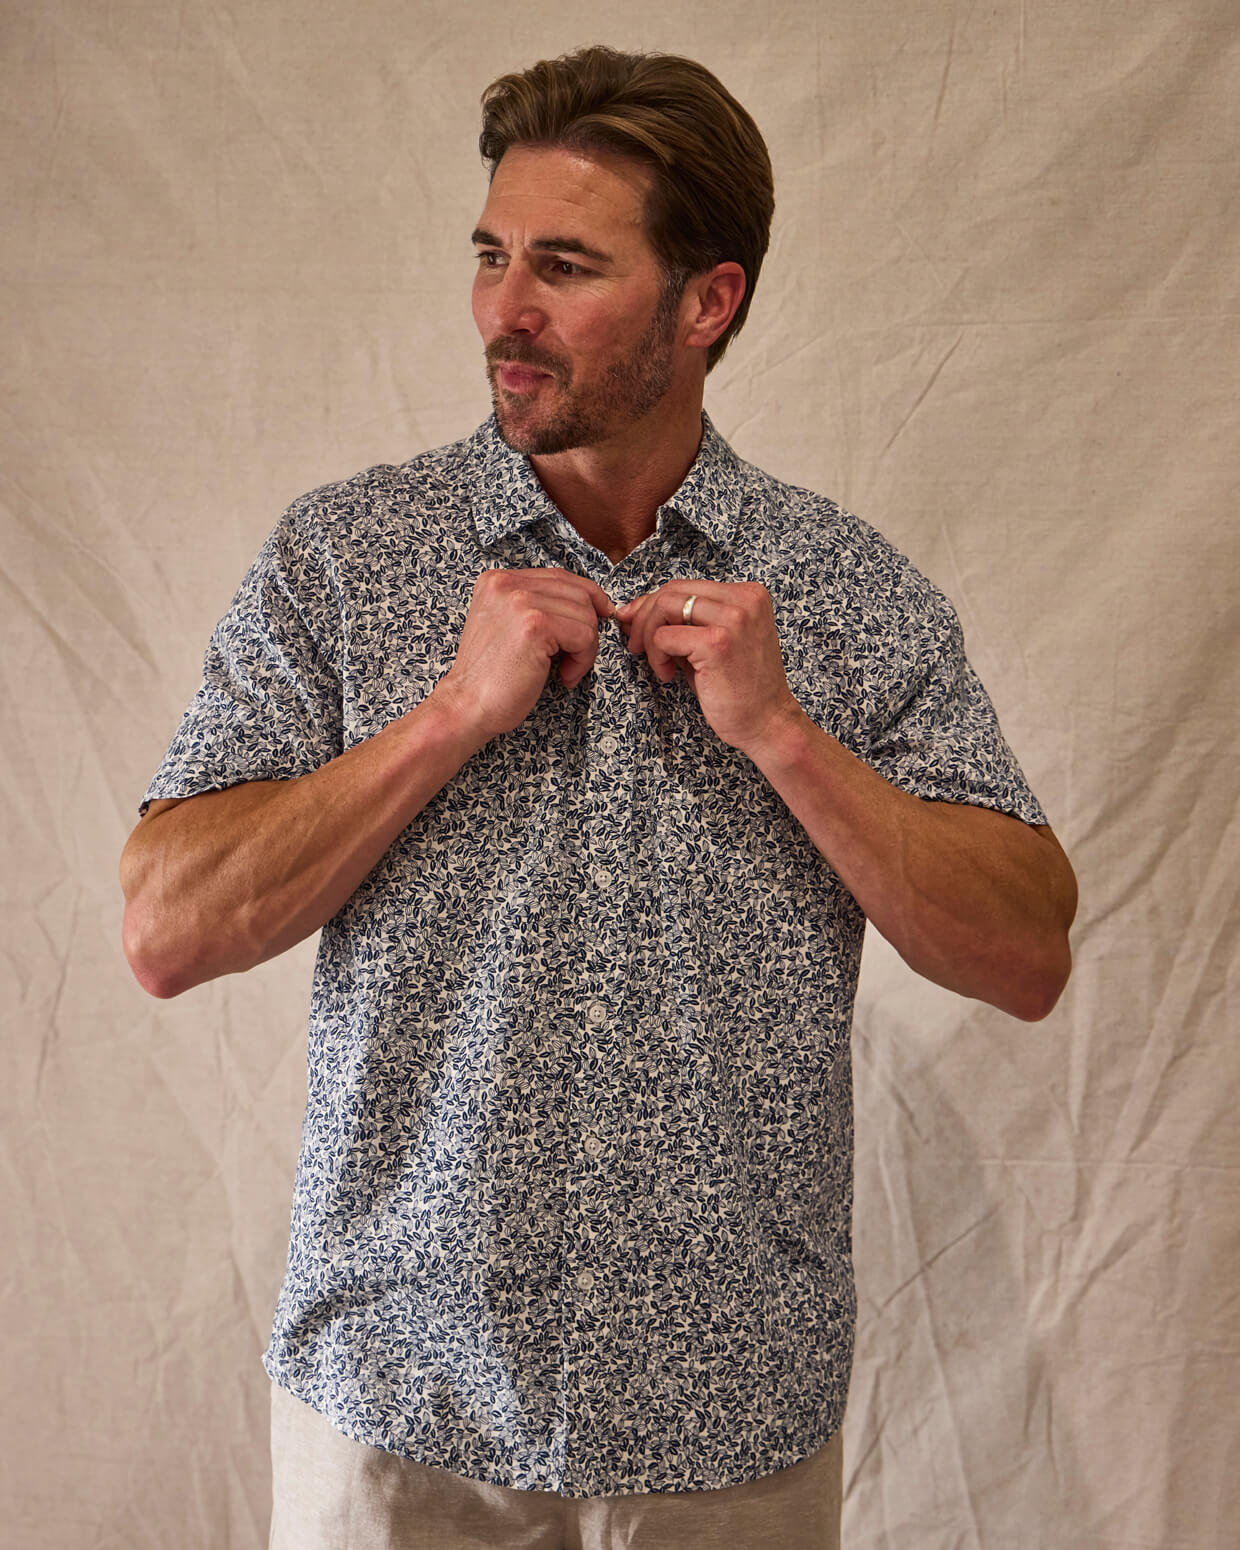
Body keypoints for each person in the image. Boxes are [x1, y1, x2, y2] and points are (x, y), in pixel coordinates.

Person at [120, 44, 1077, 1550]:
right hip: (397, 1416)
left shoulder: (845, 593)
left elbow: (1026, 950)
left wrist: (788, 738)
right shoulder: (347, 557)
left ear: (709, 301)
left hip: (726, 1435)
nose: (506, 310)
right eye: (492, 255)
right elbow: (166, 925)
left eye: (565, 265)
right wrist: (449, 716)